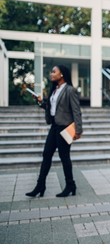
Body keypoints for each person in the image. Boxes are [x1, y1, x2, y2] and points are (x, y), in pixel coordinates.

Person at [26, 65, 83, 198]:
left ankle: (70, 185)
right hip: (54, 127)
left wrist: (78, 131)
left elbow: (76, 111)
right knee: (46, 154)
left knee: (64, 157)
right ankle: (40, 185)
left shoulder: (70, 90)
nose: (51, 74)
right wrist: (41, 102)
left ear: (61, 74)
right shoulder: (54, 90)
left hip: (65, 128)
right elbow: (51, 108)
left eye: (53, 72)